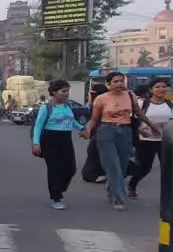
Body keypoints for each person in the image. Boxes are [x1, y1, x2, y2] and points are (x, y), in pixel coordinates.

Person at [82, 70, 158, 209]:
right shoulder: (101, 99)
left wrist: (151, 126)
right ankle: (119, 198)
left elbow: (138, 113)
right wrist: (87, 130)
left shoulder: (130, 95)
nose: (119, 84)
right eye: (115, 81)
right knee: (113, 166)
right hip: (106, 132)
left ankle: (112, 189)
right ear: (109, 84)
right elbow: (94, 119)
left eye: (121, 81)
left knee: (122, 167)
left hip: (125, 132)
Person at [31, 80, 86, 209]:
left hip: (66, 139)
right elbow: (38, 126)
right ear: (54, 92)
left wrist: (82, 129)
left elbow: (72, 121)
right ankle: (56, 197)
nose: (66, 94)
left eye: (67, 91)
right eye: (63, 91)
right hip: (50, 139)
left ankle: (58, 189)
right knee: (54, 169)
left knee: (70, 169)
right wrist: (36, 143)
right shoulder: (46, 108)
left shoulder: (67, 106)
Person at [128, 76, 173, 199]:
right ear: (151, 90)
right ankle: (132, 185)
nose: (161, 89)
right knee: (144, 167)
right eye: (157, 87)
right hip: (145, 141)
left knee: (168, 168)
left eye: (163, 87)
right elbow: (132, 120)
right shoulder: (143, 103)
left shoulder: (171, 104)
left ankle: (169, 194)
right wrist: (141, 130)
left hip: (165, 141)